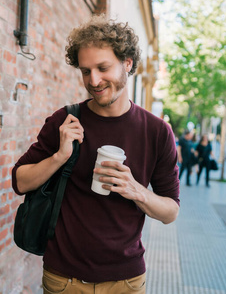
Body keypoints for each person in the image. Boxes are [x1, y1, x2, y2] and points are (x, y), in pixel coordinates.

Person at [12, 15, 180, 294]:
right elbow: (19, 182)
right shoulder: (64, 121)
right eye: (85, 70)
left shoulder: (157, 132)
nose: (94, 80)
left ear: (127, 63)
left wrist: (136, 190)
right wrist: (59, 156)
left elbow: (170, 212)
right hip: (63, 279)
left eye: (103, 68)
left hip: (125, 281)